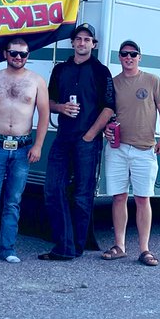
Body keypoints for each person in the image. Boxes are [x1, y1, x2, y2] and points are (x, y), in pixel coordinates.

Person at [41, 23, 115, 260]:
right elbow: (47, 102)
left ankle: (75, 247)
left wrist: (90, 135)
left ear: (93, 44)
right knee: (53, 189)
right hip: (63, 137)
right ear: (72, 43)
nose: (82, 43)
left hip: (87, 140)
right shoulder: (60, 70)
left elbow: (109, 107)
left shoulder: (101, 71)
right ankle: (64, 244)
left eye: (87, 39)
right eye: (78, 39)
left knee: (83, 194)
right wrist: (60, 107)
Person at [0, 37, 49, 263]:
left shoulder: (36, 81)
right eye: (14, 53)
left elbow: (44, 114)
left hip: (23, 148)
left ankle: (7, 249)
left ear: (28, 56)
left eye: (23, 54)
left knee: (13, 201)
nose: (18, 57)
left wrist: (38, 145)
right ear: (6, 54)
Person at [100, 40, 160, 267]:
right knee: (119, 196)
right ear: (119, 58)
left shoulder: (152, 81)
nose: (128, 58)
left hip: (144, 148)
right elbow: (107, 112)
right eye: (124, 54)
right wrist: (106, 129)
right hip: (118, 148)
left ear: (140, 57)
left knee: (142, 198)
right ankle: (119, 245)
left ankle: (144, 249)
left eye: (132, 54)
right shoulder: (113, 83)